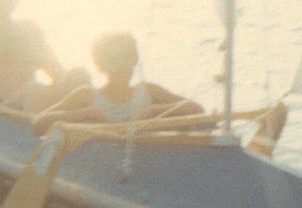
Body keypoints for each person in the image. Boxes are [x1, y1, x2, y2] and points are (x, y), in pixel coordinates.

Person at [32, 31, 203, 135]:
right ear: (101, 65)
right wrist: (85, 113)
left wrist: (152, 111)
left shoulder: (148, 91)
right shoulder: (87, 95)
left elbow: (197, 109)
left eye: (127, 59)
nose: (122, 66)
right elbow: (38, 124)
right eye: (114, 60)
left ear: (134, 60)